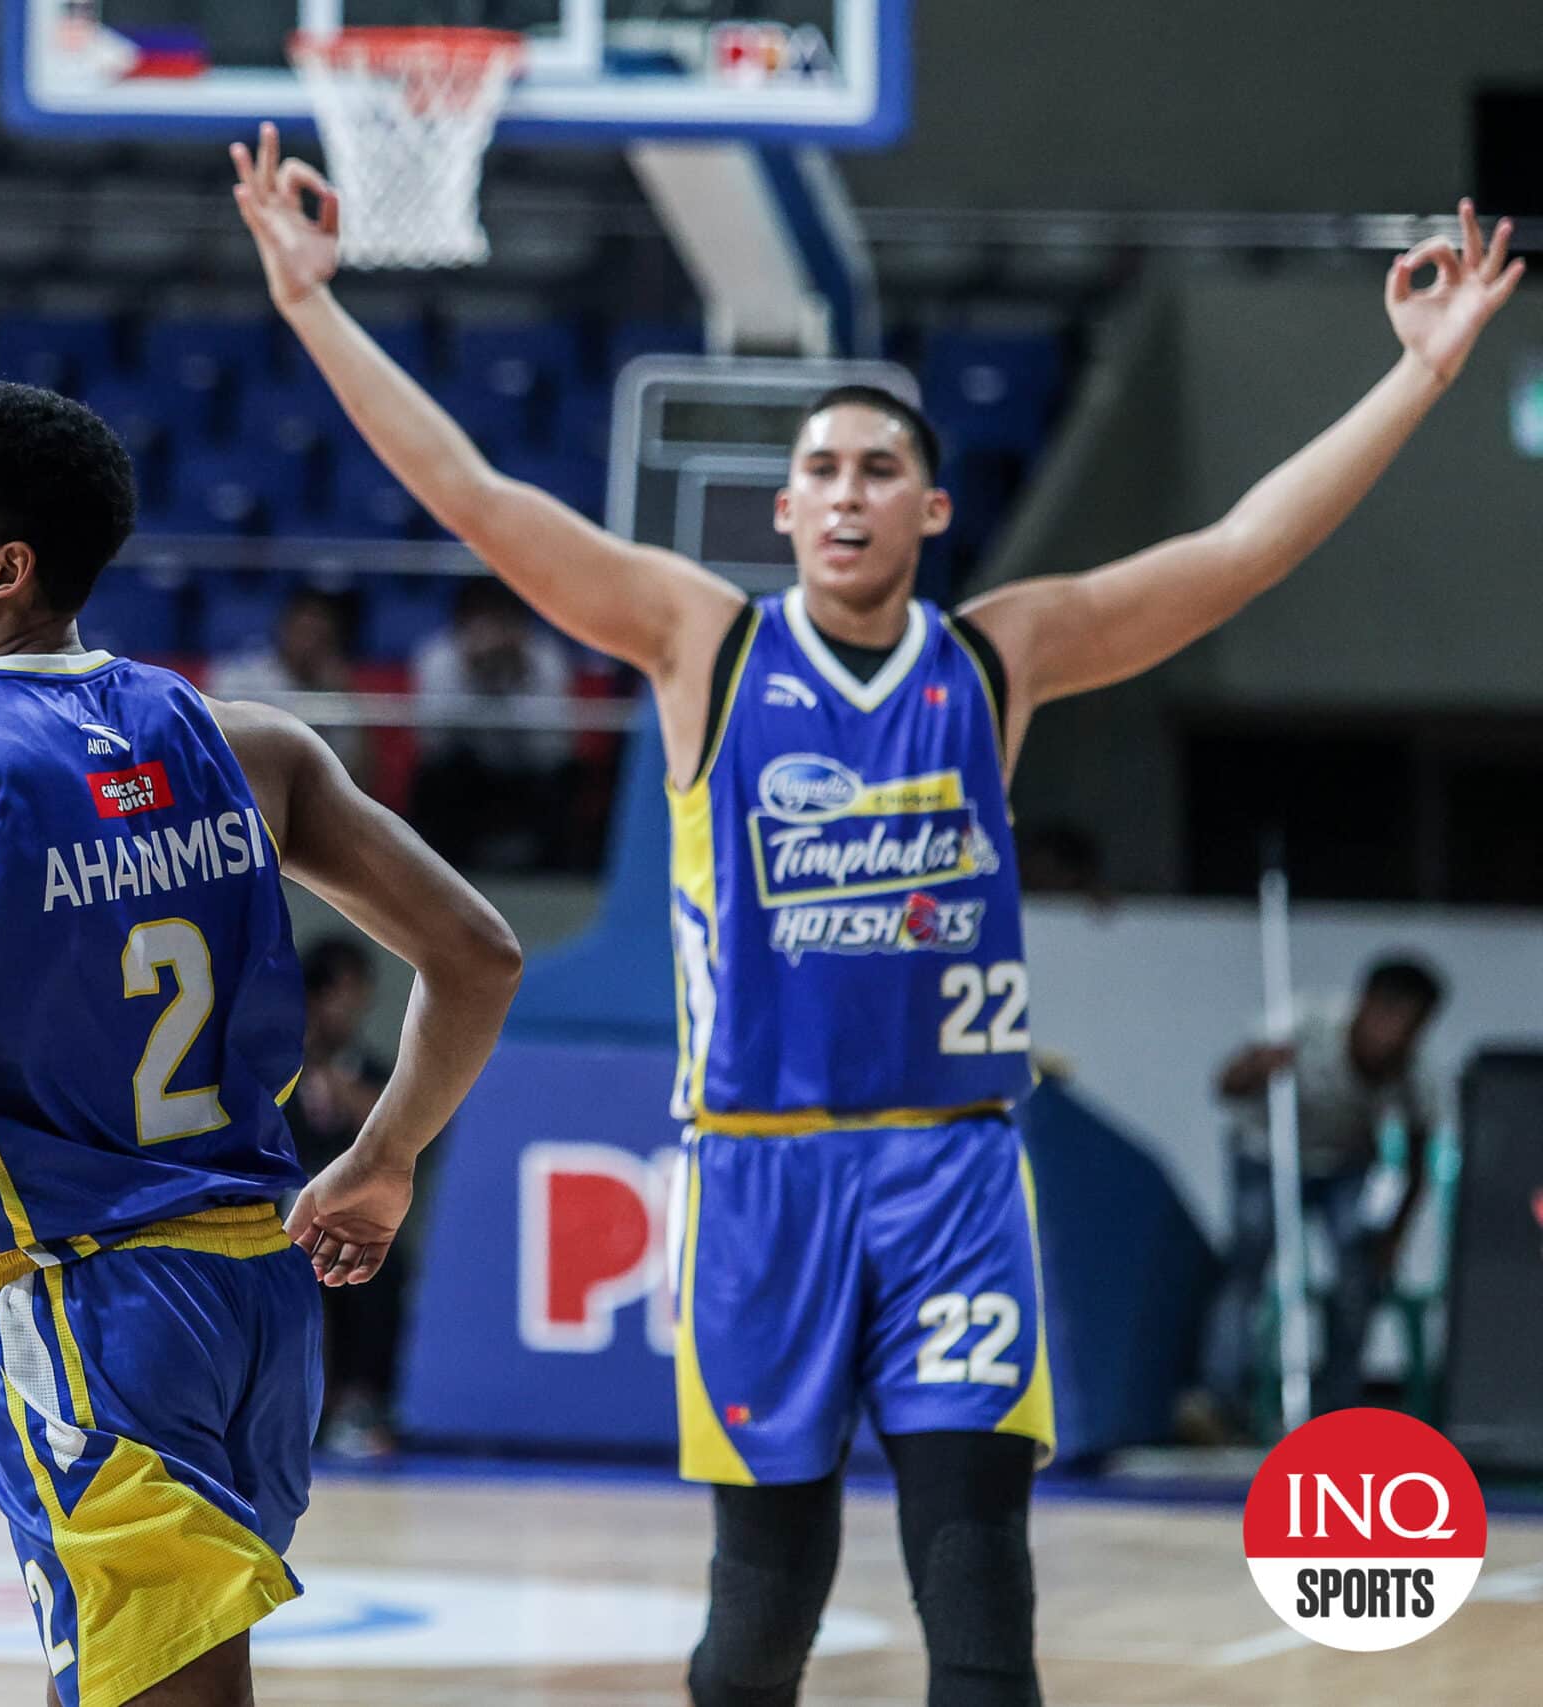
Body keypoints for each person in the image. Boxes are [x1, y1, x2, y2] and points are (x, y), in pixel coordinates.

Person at [232, 127, 1520, 1706]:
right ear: (785, 511)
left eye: (880, 470)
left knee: (980, 1605)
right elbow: (477, 494)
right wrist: (311, 302)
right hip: (761, 1171)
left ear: (932, 506)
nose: (849, 492)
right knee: (757, 1625)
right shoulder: (700, 641)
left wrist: (1420, 375)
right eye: (825, 471)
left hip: (956, 1164)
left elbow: (1237, 552)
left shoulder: (999, 653)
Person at [0, 380, 521, 1707]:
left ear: (5, 567)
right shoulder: (247, 744)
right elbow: (478, 952)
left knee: (163, 1689)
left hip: (99, 1299)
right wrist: (384, 1162)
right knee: (131, 1670)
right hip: (261, 1301)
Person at [1183, 955, 1446, 1440]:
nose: (1394, 1039)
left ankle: (1338, 1410)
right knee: (1247, 1262)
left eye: (1411, 1028)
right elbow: (1225, 1085)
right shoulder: (1303, 1023)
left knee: (1356, 1273)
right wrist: (1261, 1065)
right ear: (1364, 1006)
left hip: (1344, 1166)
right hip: (1267, 1154)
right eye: (1388, 1019)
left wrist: (1393, 1237)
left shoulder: (1415, 1075)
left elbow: (1417, 1163)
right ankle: (1217, 1401)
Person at [284, 936, 407, 1459]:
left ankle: (357, 1405)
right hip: (274, 1212)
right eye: (343, 996)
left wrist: (332, 1077)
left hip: (340, 1213)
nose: (352, 1010)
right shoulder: (273, 1062)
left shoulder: (365, 1068)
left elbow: (392, 1127)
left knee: (382, 1266)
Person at [408, 575, 577, 870]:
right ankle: (439, 875)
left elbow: (554, 750)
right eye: (482, 617)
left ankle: (552, 880)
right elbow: (432, 742)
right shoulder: (439, 656)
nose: (493, 633)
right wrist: (473, 676)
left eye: (502, 618)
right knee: (437, 780)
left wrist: (518, 677)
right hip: (467, 774)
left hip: (526, 772)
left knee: (564, 782)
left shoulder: (544, 657)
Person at [206, 585, 370, 782]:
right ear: (284, 629)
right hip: (245, 786)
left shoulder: (334, 688)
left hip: (309, 794)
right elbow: (211, 742)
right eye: (304, 631)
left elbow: (357, 773)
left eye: (320, 636)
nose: (309, 644)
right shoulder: (242, 675)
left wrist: (341, 693)